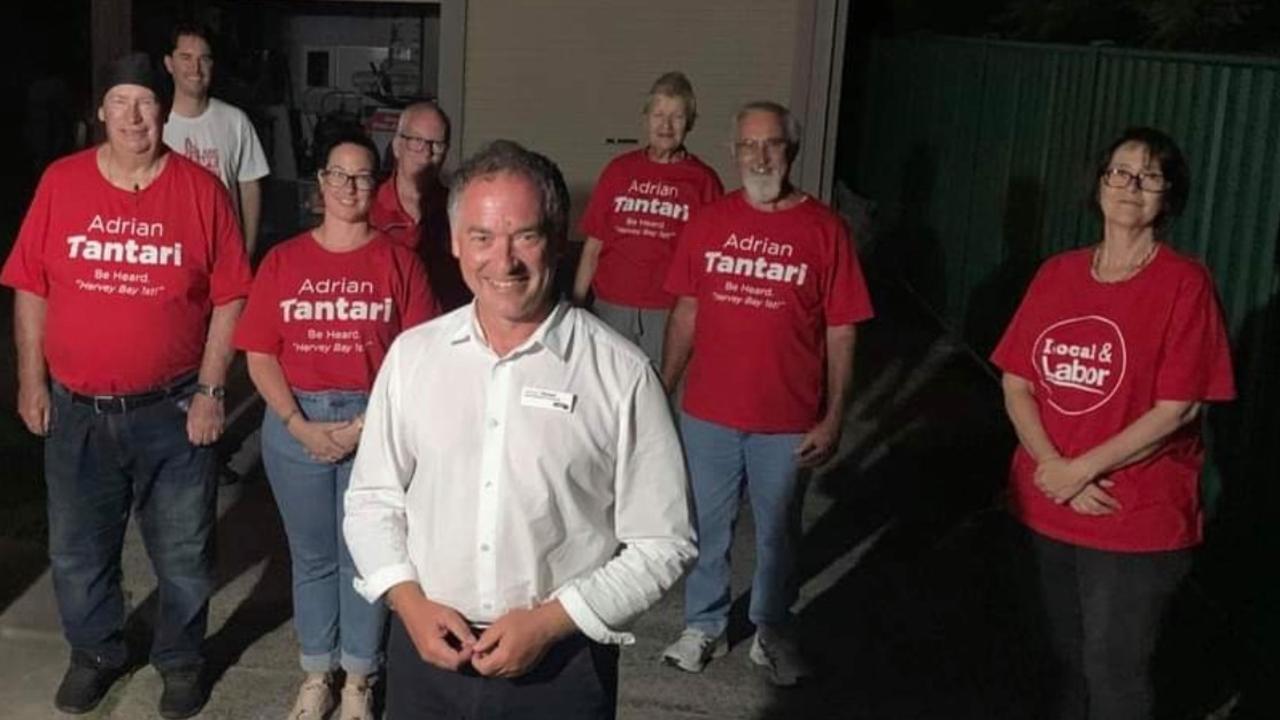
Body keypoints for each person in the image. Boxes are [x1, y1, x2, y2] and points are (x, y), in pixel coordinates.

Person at [343, 140, 696, 719]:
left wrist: (551, 622)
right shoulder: (413, 357)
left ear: (558, 240)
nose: (502, 262)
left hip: (561, 661)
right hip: (428, 650)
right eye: (482, 238)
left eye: (525, 236)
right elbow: (372, 499)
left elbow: (664, 543)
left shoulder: (620, 373)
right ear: (456, 242)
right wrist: (406, 601)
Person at [0, 52, 252, 718]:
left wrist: (211, 389)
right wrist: (32, 379)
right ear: (101, 110)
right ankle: (97, 654)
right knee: (79, 554)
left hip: (171, 410)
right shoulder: (61, 183)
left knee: (185, 553)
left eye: (145, 102)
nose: (133, 116)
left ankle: (179, 660)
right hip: (77, 409)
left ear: (162, 111)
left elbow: (231, 296)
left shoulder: (199, 191)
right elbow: (31, 285)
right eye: (120, 102)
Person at [991, 127, 1234, 719]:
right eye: (1119, 172)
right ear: (1099, 185)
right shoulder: (1058, 274)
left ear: (1169, 196)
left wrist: (1080, 471)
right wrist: (1053, 467)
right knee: (1059, 665)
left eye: (1150, 176)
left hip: (1131, 516)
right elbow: (1017, 381)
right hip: (1047, 503)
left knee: (1114, 670)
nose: (1131, 186)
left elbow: (1178, 407)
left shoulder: (1184, 283)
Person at [659, 101, 874, 686]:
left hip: (787, 420)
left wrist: (833, 416)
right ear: (733, 152)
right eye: (749, 145)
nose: (760, 156)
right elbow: (686, 311)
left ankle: (771, 629)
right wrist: (663, 387)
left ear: (791, 151)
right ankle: (702, 626)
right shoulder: (708, 222)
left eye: (772, 144)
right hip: (708, 415)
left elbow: (842, 328)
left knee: (778, 533)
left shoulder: (825, 230)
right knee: (708, 529)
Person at [234, 129, 437, 720]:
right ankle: (318, 673)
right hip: (297, 421)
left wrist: (368, 424)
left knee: (368, 560)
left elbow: (420, 358)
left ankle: (359, 680)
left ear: (376, 185)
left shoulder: (399, 262)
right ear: (320, 183)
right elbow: (260, 353)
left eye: (363, 176)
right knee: (315, 556)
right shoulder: (284, 260)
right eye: (339, 175)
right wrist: (297, 424)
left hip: (373, 423)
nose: (351, 186)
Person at [572, 71, 723, 364]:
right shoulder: (618, 171)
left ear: (689, 123)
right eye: (658, 114)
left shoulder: (704, 181)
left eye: (677, 116)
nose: (666, 125)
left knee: (662, 397)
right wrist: (577, 305)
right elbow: (593, 247)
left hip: (669, 311)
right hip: (611, 307)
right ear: (646, 118)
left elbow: (711, 263)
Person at [163, 22, 270, 256]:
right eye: (186, 58)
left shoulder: (236, 120)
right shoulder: (154, 123)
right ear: (169, 64)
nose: (196, 68)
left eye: (204, 59)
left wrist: (247, 251)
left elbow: (250, 187)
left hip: (224, 252)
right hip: (169, 252)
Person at [371, 101, 470, 311]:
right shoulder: (367, 210)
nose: (427, 154)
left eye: (437, 145)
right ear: (397, 146)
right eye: (417, 141)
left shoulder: (460, 212)